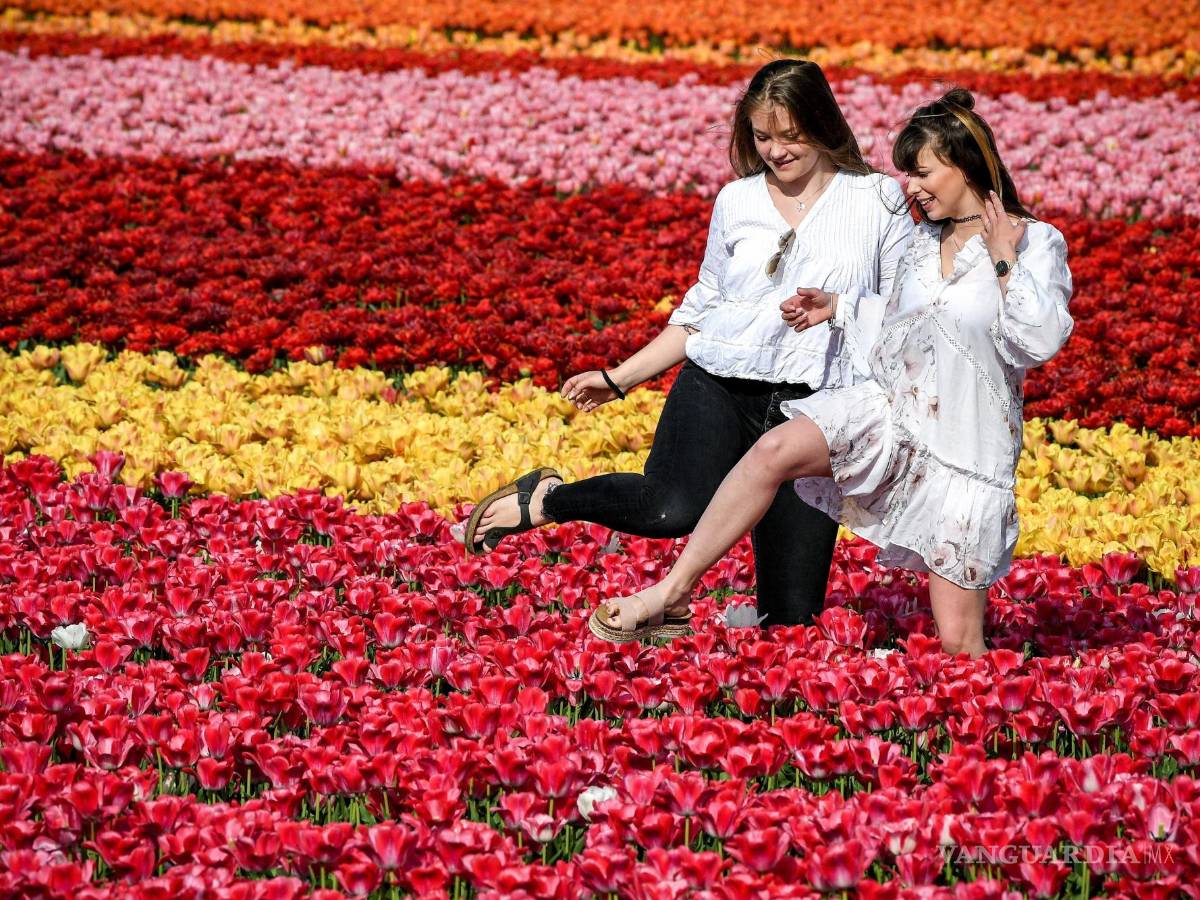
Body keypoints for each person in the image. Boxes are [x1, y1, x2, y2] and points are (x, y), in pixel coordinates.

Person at [588, 88, 1073, 658]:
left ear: (965, 164)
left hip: (964, 453)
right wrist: (838, 307)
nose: (909, 188)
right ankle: (668, 592)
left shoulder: (1034, 241)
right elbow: (901, 325)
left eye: (920, 173)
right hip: (891, 416)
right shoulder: (920, 243)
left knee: (960, 646)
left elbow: (1038, 340)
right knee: (774, 450)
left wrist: (1002, 258)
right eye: (905, 174)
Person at [456, 59, 914, 628]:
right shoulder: (738, 201)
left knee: (793, 616)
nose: (776, 150)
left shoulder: (878, 202)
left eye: (790, 135)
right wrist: (619, 378)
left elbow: (903, 312)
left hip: (816, 408)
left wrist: (844, 313)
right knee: (670, 507)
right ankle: (548, 498)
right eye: (763, 136)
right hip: (721, 385)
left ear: (823, 124)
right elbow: (700, 314)